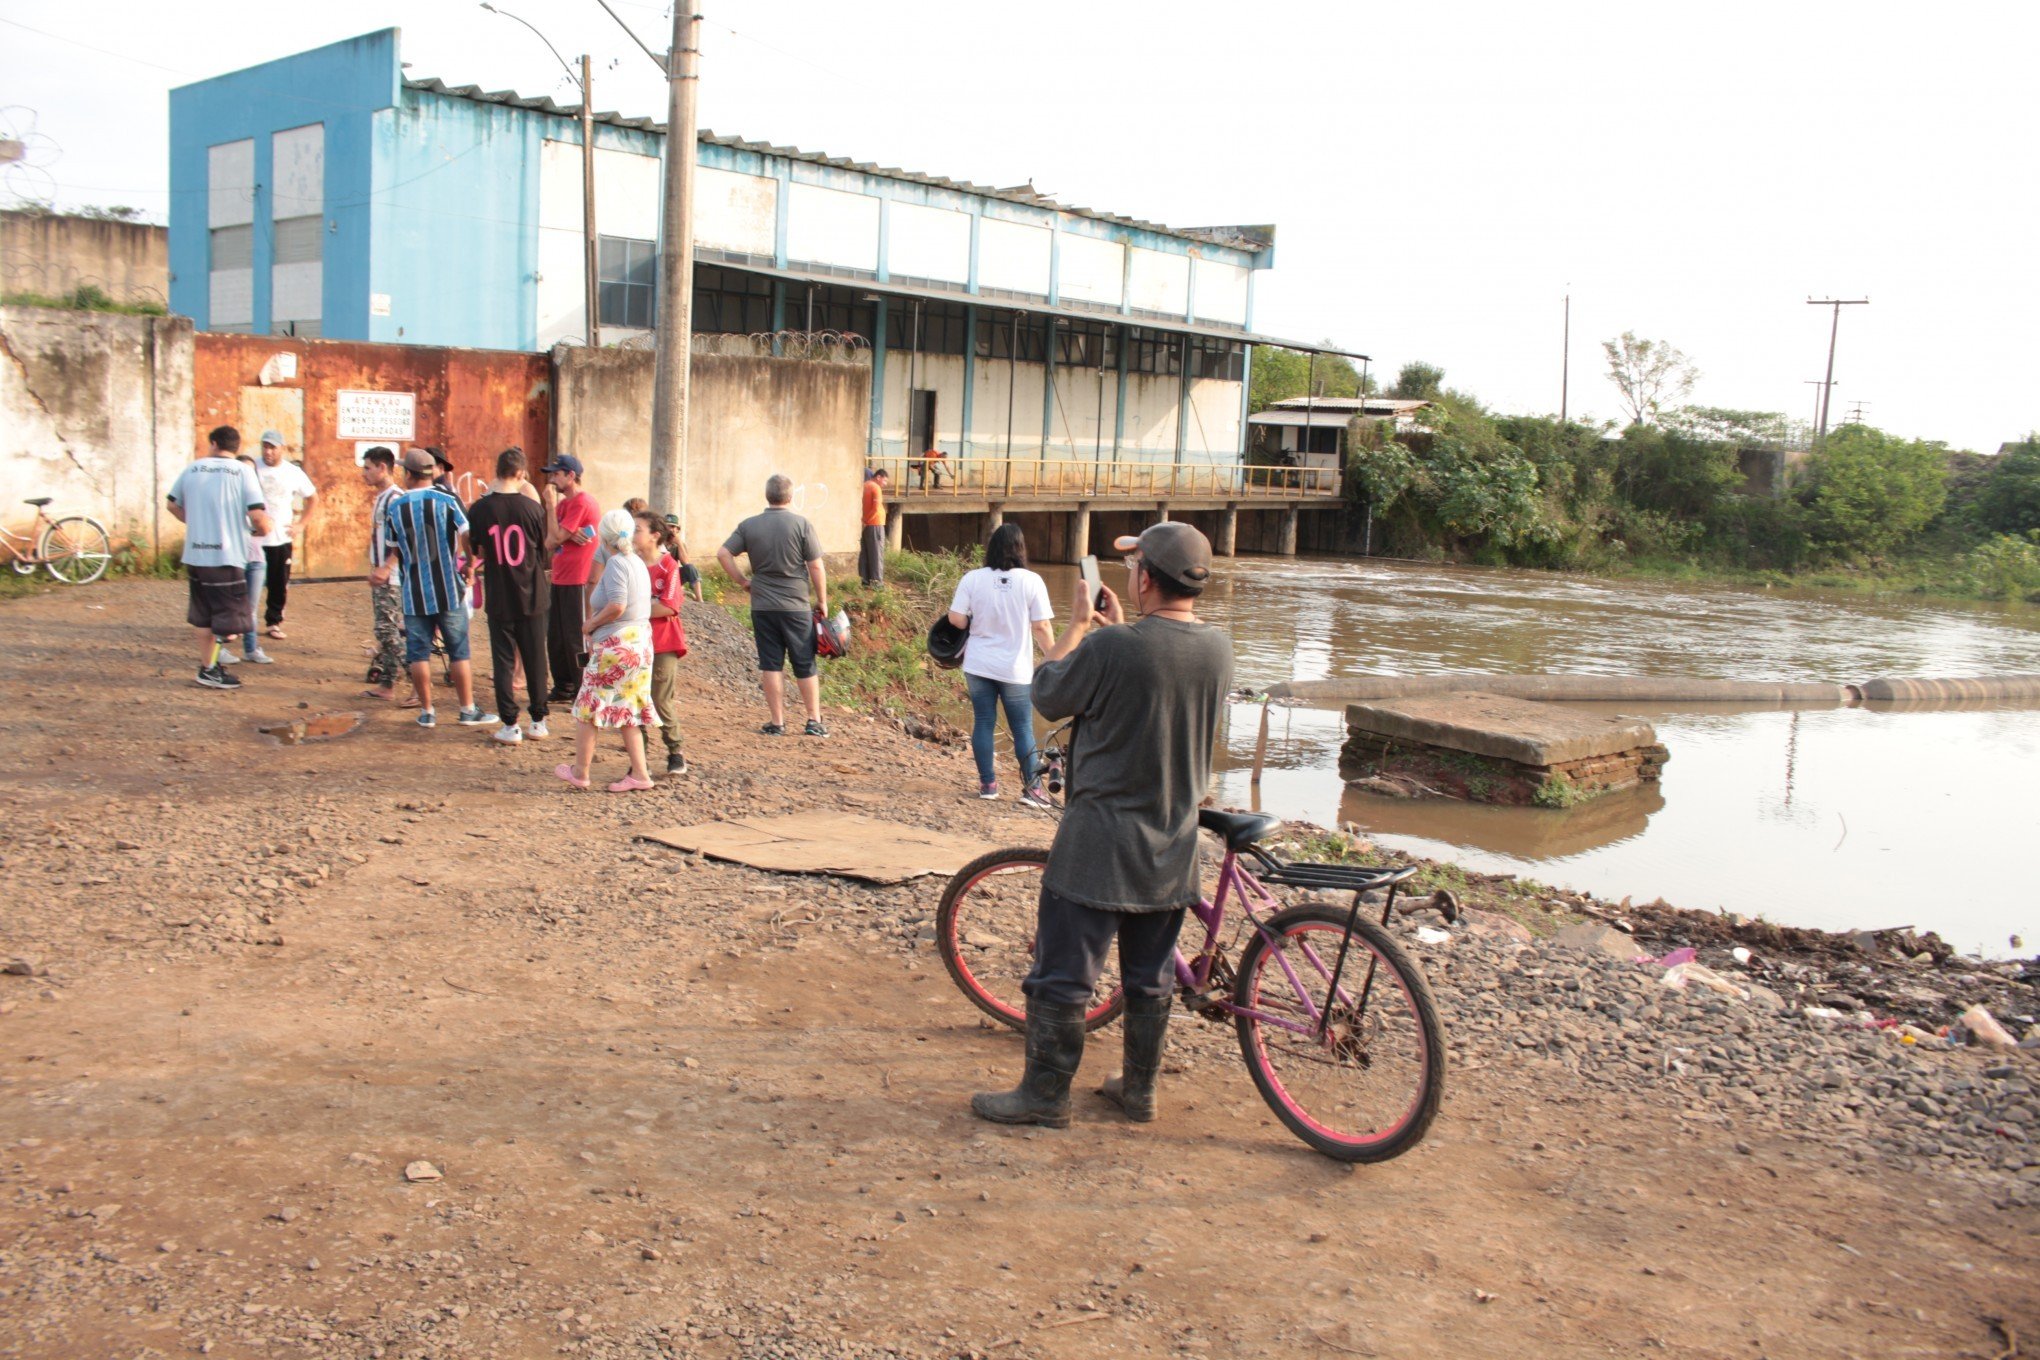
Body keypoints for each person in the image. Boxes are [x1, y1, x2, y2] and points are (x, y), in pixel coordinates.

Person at [971, 522, 1233, 1131]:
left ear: (1144, 577)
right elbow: (1153, 681)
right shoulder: (1218, 648)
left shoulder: (1110, 647)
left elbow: (1047, 692)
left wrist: (1079, 625)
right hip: (1173, 844)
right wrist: (1117, 633)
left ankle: (1044, 1096)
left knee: (1063, 976)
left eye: (1133, 565)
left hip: (1100, 843)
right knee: (1151, 977)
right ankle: (1139, 1093)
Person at [375, 448, 494, 730]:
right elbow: (467, 534)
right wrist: (470, 565)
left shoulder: (396, 506)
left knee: (418, 652)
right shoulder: (447, 499)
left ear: (408, 474)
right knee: (458, 650)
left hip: (414, 592)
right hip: (447, 589)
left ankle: (427, 711)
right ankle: (467, 709)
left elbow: (394, 549)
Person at [946, 522, 1055, 805]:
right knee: (1022, 729)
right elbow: (1041, 625)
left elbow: (956, 619)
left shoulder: (972, 578)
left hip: (978, 664)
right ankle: (1032, 790)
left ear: (992, 547)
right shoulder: (1031, 581)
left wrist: (974, 622)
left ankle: (988, 785)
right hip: (1015, 668)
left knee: (983, 721)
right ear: (1021, 548)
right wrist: (1055, 657)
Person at [717, 473, 829, 738]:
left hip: (763, 605)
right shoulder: (802, 524)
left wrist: (743, 581)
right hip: (796, 606)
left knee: (771, 664)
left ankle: (777, 722)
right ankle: (813, 721)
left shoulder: (748, 525)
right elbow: (815, 565)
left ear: (767, 496)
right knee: (804, 662)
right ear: (790, 497)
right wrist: (822, 600)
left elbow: (723, 553)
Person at [557, 509, 658, 792]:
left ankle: (580, 772)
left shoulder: (615, 563)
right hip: (639, 643)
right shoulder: (636, 562)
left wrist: (590, 624)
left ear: (604, 537)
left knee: (588, 708)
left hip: (617, 644)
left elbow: (616, 605)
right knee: (628, 709)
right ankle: (640, 773)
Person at [166, 425, 272, 690]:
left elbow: (171, 504)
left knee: (203, 616)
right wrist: (259, 531)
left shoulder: (193, 468)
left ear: (213, 443)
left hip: (196, 555)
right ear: (236, 447)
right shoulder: (243, 472)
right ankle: (210, 670)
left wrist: (198, 522)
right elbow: (258, 516)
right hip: (226, 556)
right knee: (229, 622)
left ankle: (208, 666)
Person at [465, 446, 551, 745]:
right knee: (535, 659)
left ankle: (510, 725)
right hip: (533, 594)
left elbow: (474, 548)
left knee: (503, 661)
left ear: (496, 471)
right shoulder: (533, 508)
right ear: (520, 473)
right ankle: (538, 721)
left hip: (500, 594)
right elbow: (542, 552)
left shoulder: (479, 509)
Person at [540, 454, 600, 706]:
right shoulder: (566, 504)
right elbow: (549, 541)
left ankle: (582, 689)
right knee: (556, 636)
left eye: (556, 474)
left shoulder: (579, 502)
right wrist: (562, 531)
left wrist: (551, 509)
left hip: (577, 578)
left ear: (570, 475)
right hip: (561, 577)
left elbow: (554, 540)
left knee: (575, 636)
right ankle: (563, 686)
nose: (552, 479)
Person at [356, 447, 413, 704]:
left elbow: (405, 539)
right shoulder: (382, 497)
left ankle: (417, 680)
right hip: (384, 575)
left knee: (387, 632)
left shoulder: (395, 499)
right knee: (386, 631)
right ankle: (387, 684)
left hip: (392, 578)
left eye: (368, 467)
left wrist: (387, 567)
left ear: (382, 467)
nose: (364, 473)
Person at [252, 429, 316, 640]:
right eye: (265, 446)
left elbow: (313, 498)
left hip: (280, 536)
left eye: (272, 447)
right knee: (246, 580)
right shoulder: (251, 467)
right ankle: (239, 623)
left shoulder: (292, 472)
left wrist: (301, 525)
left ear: (282, 449)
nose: (268, 451)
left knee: (278, 582)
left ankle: (274, 621)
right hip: (253, 536)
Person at [641, 511, 690, 776]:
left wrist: (632, 609)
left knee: (660, 699)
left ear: (654, 536)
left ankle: (675, 751)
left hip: (663, 642)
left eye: (637, 529)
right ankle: (639, 757)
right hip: (633, 641)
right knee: (634, 700)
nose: (632, 534)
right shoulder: (628, 563)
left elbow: (669, 606)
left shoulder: (668, 566)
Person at [229, 454, 274, 666]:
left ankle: (251, 648)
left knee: (250, 609)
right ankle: (218, 649)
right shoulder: (226, 498)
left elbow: (267, 526)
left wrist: (249, 530)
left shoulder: (258, 498)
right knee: (227, 606)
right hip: (232, 558)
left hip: (255, 559)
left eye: (250, 470)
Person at [859, 468, 888, 587]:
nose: (885, 484)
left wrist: (864, 521)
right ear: (878, 477)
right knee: (877, 553)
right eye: (884, 480)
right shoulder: (876, 488)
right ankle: (877, 582)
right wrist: (867, 520)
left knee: (866, 552)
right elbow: (876, 508)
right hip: (875, 524)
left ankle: (865, 580)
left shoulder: (864, 485)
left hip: (866, 524)